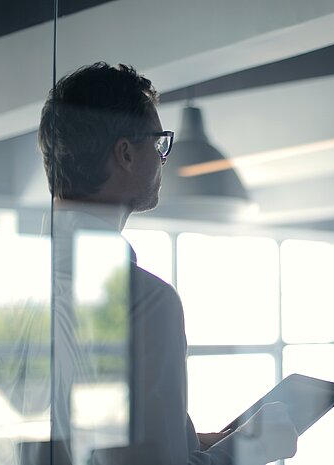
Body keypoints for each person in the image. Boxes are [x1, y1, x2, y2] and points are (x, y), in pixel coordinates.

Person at [35, 62, 298, 465]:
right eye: (159, 144)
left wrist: (186, 439)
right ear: (125, 153)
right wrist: (255, 447)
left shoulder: (12, 300)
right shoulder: (144, 302)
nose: (163, 159)